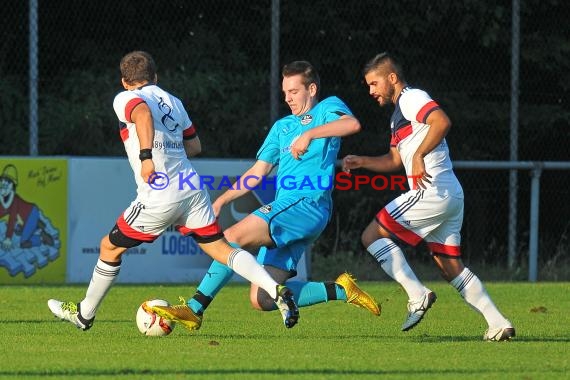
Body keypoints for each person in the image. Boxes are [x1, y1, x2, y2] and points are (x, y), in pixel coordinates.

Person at [47, 50, 299, 331]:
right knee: (220, 248)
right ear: (155, 77)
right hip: (190, 185)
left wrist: (146, 157)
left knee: (109, 246)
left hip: (160, 190)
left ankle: (84, 315)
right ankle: (275, 289)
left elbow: (141, 114)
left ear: (124, 81)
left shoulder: (126, 98)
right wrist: (170, 147)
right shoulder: (174, 102)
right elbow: (195, 147)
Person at [151, 60, 380, 330]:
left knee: (232, 238)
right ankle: (341, 290)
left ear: (312, 88)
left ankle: (194, 308)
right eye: (285, 92)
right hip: (290, 210)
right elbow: (257, 173)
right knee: (262, 298)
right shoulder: (281, 128)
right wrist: (222, 201)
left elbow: (351, 124)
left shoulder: (327, 108)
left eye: (294, 92)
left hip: (307, 204)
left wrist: (309, 135)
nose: (288, 98)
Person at [342, 52, 515, 341]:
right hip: (449, 193)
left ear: (392, 79)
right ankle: (498, 322)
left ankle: (417, 294)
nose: (371, 91)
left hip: (430, 190)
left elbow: (442, 121)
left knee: (372, 235)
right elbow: (394, 161)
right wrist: (363, 161)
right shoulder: (399, 115)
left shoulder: (411, 98)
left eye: (374, 84)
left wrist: (420, 155)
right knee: (449, 267)